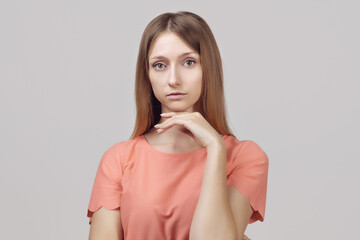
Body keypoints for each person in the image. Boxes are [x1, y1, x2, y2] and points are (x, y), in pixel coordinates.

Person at [87, 11, 269, 240]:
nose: (173, 79)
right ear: (148, 74)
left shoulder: (245, 158)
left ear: (208, 69)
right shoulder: (119, 160)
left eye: (189, 62)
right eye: (160, 65)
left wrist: (215, 147)